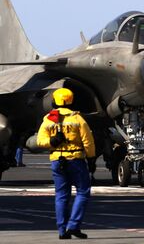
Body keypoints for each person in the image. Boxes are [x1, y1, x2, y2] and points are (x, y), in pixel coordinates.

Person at [37, 88, 95, 239]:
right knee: (83, 191)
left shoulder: (48, 119)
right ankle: (73, 226)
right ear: (71, 101)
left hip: (57, 161)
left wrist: (52, 141)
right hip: (76, 160)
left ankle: (62, 231)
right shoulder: (77, 119)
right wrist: (91, 159)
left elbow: (39, 141)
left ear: (54, 101)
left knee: (61, 195)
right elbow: (88, 141)